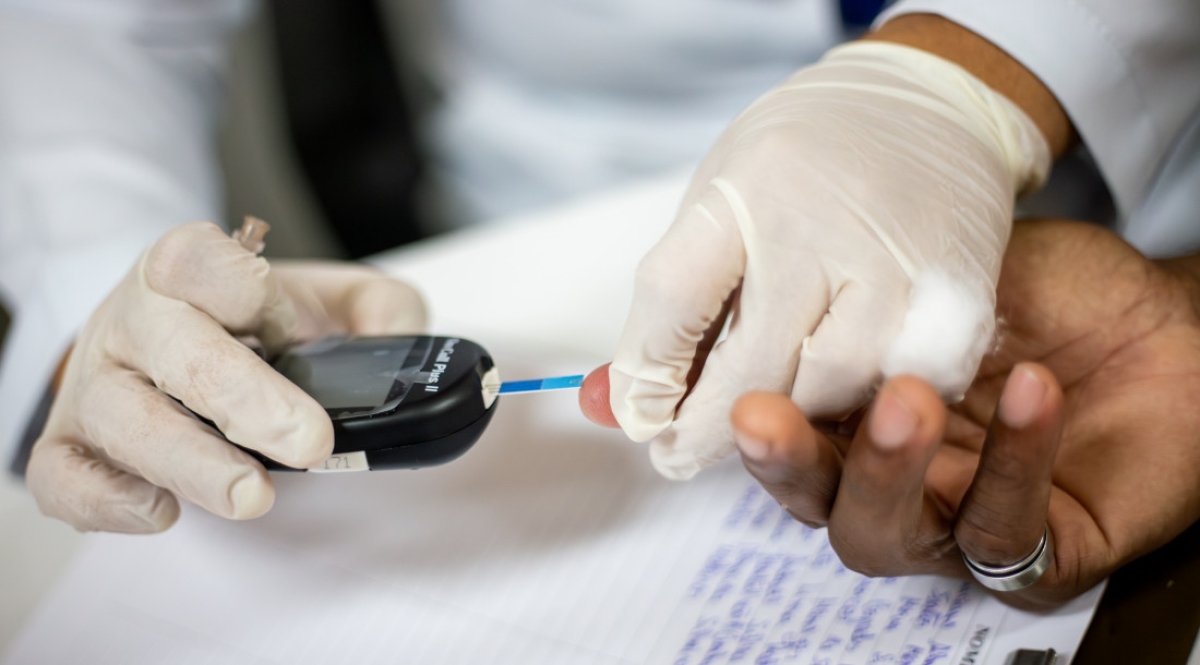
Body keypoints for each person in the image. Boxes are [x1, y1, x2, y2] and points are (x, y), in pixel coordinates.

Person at [4, 0, 1199, 556]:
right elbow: (83, 28)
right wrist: (120, 308)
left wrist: (966, 76)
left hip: (1157, 228)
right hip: (570, 242)